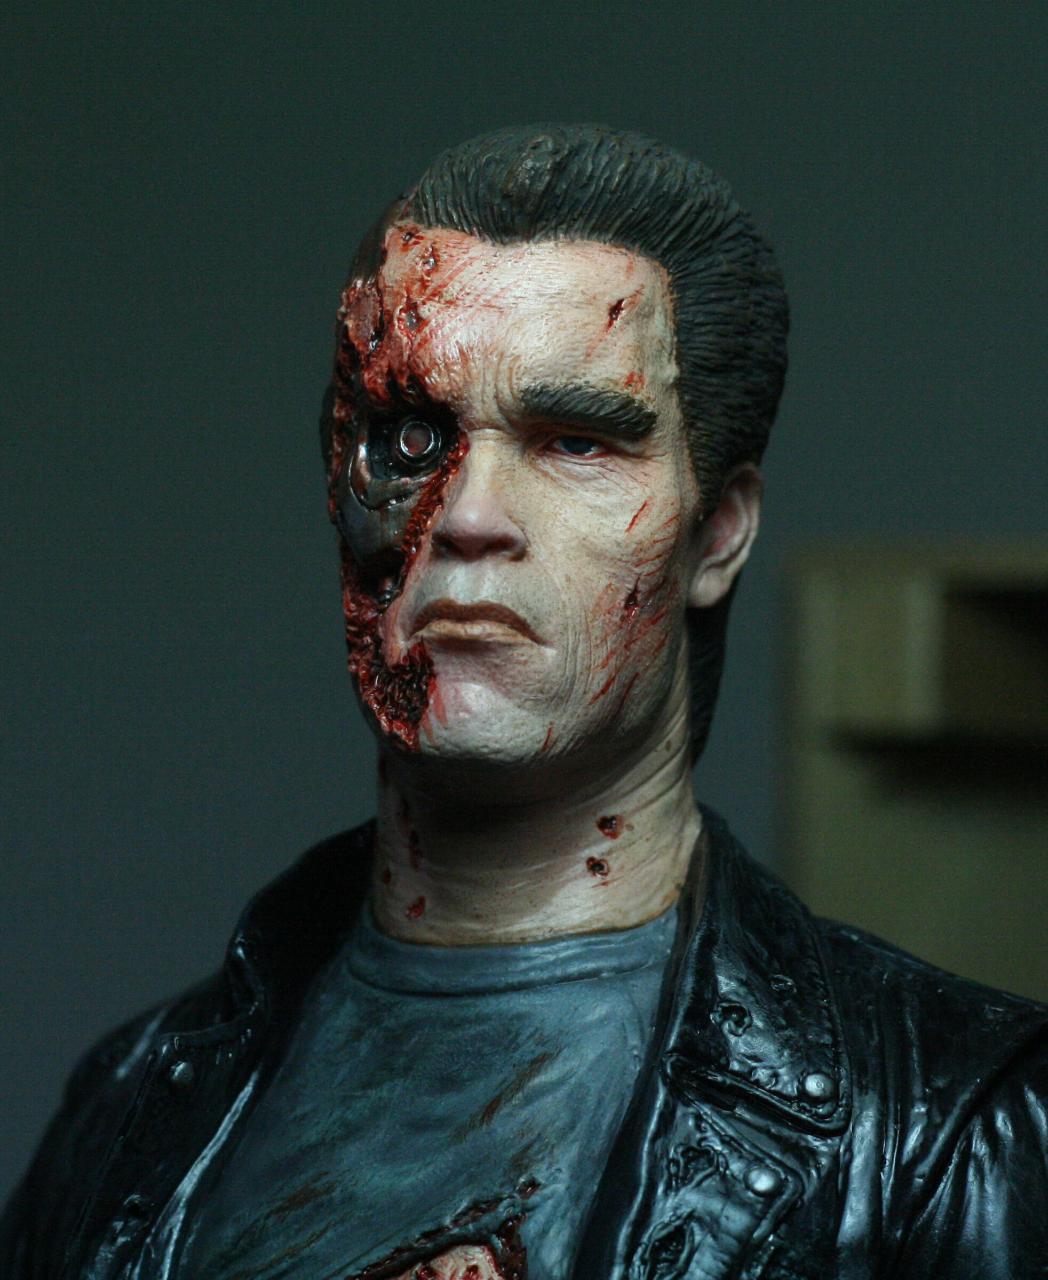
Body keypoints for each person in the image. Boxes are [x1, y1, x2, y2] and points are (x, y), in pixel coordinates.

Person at [3, 125, 1046, 1280]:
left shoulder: (948, 1129)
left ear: (716, 532)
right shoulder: (132, 1108)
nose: (466, 515)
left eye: (574, 442)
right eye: (409, 436)